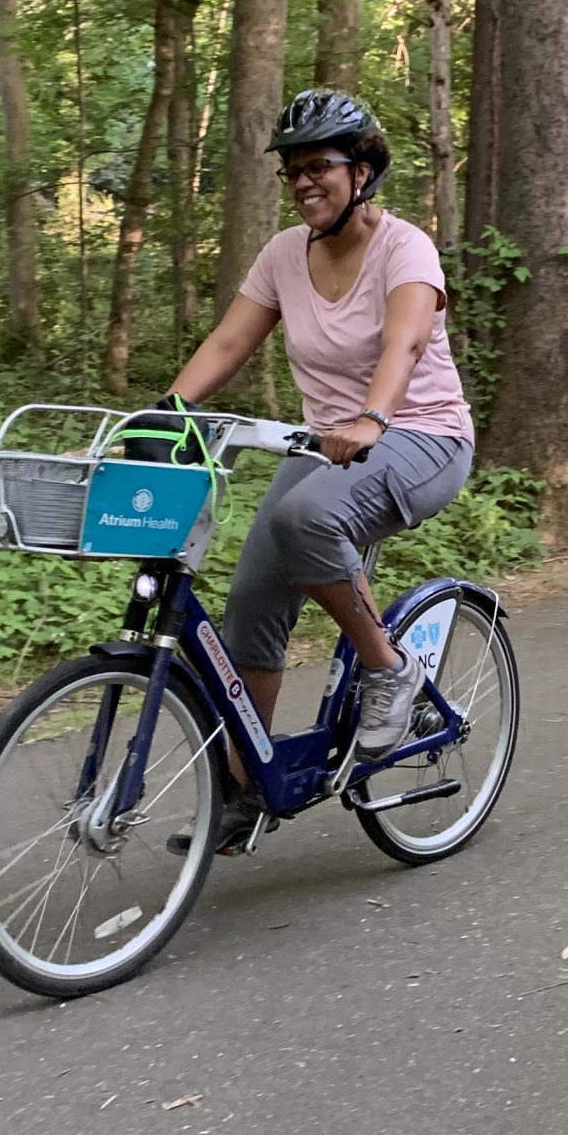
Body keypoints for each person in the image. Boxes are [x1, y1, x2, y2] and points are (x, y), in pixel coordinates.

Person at [158, 89, 476, 853]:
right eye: (292, 171)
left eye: (319, 167)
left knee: (306, 520)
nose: (304, 183)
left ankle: (388, 668)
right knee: (250, 603)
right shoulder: (281, 255)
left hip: (421, 436)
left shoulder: (406, 249)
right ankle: (245, 789)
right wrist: (162, 411)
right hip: (324, 449)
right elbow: (229, 343)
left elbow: (402, 344)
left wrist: (372, 417)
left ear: (362, 171)